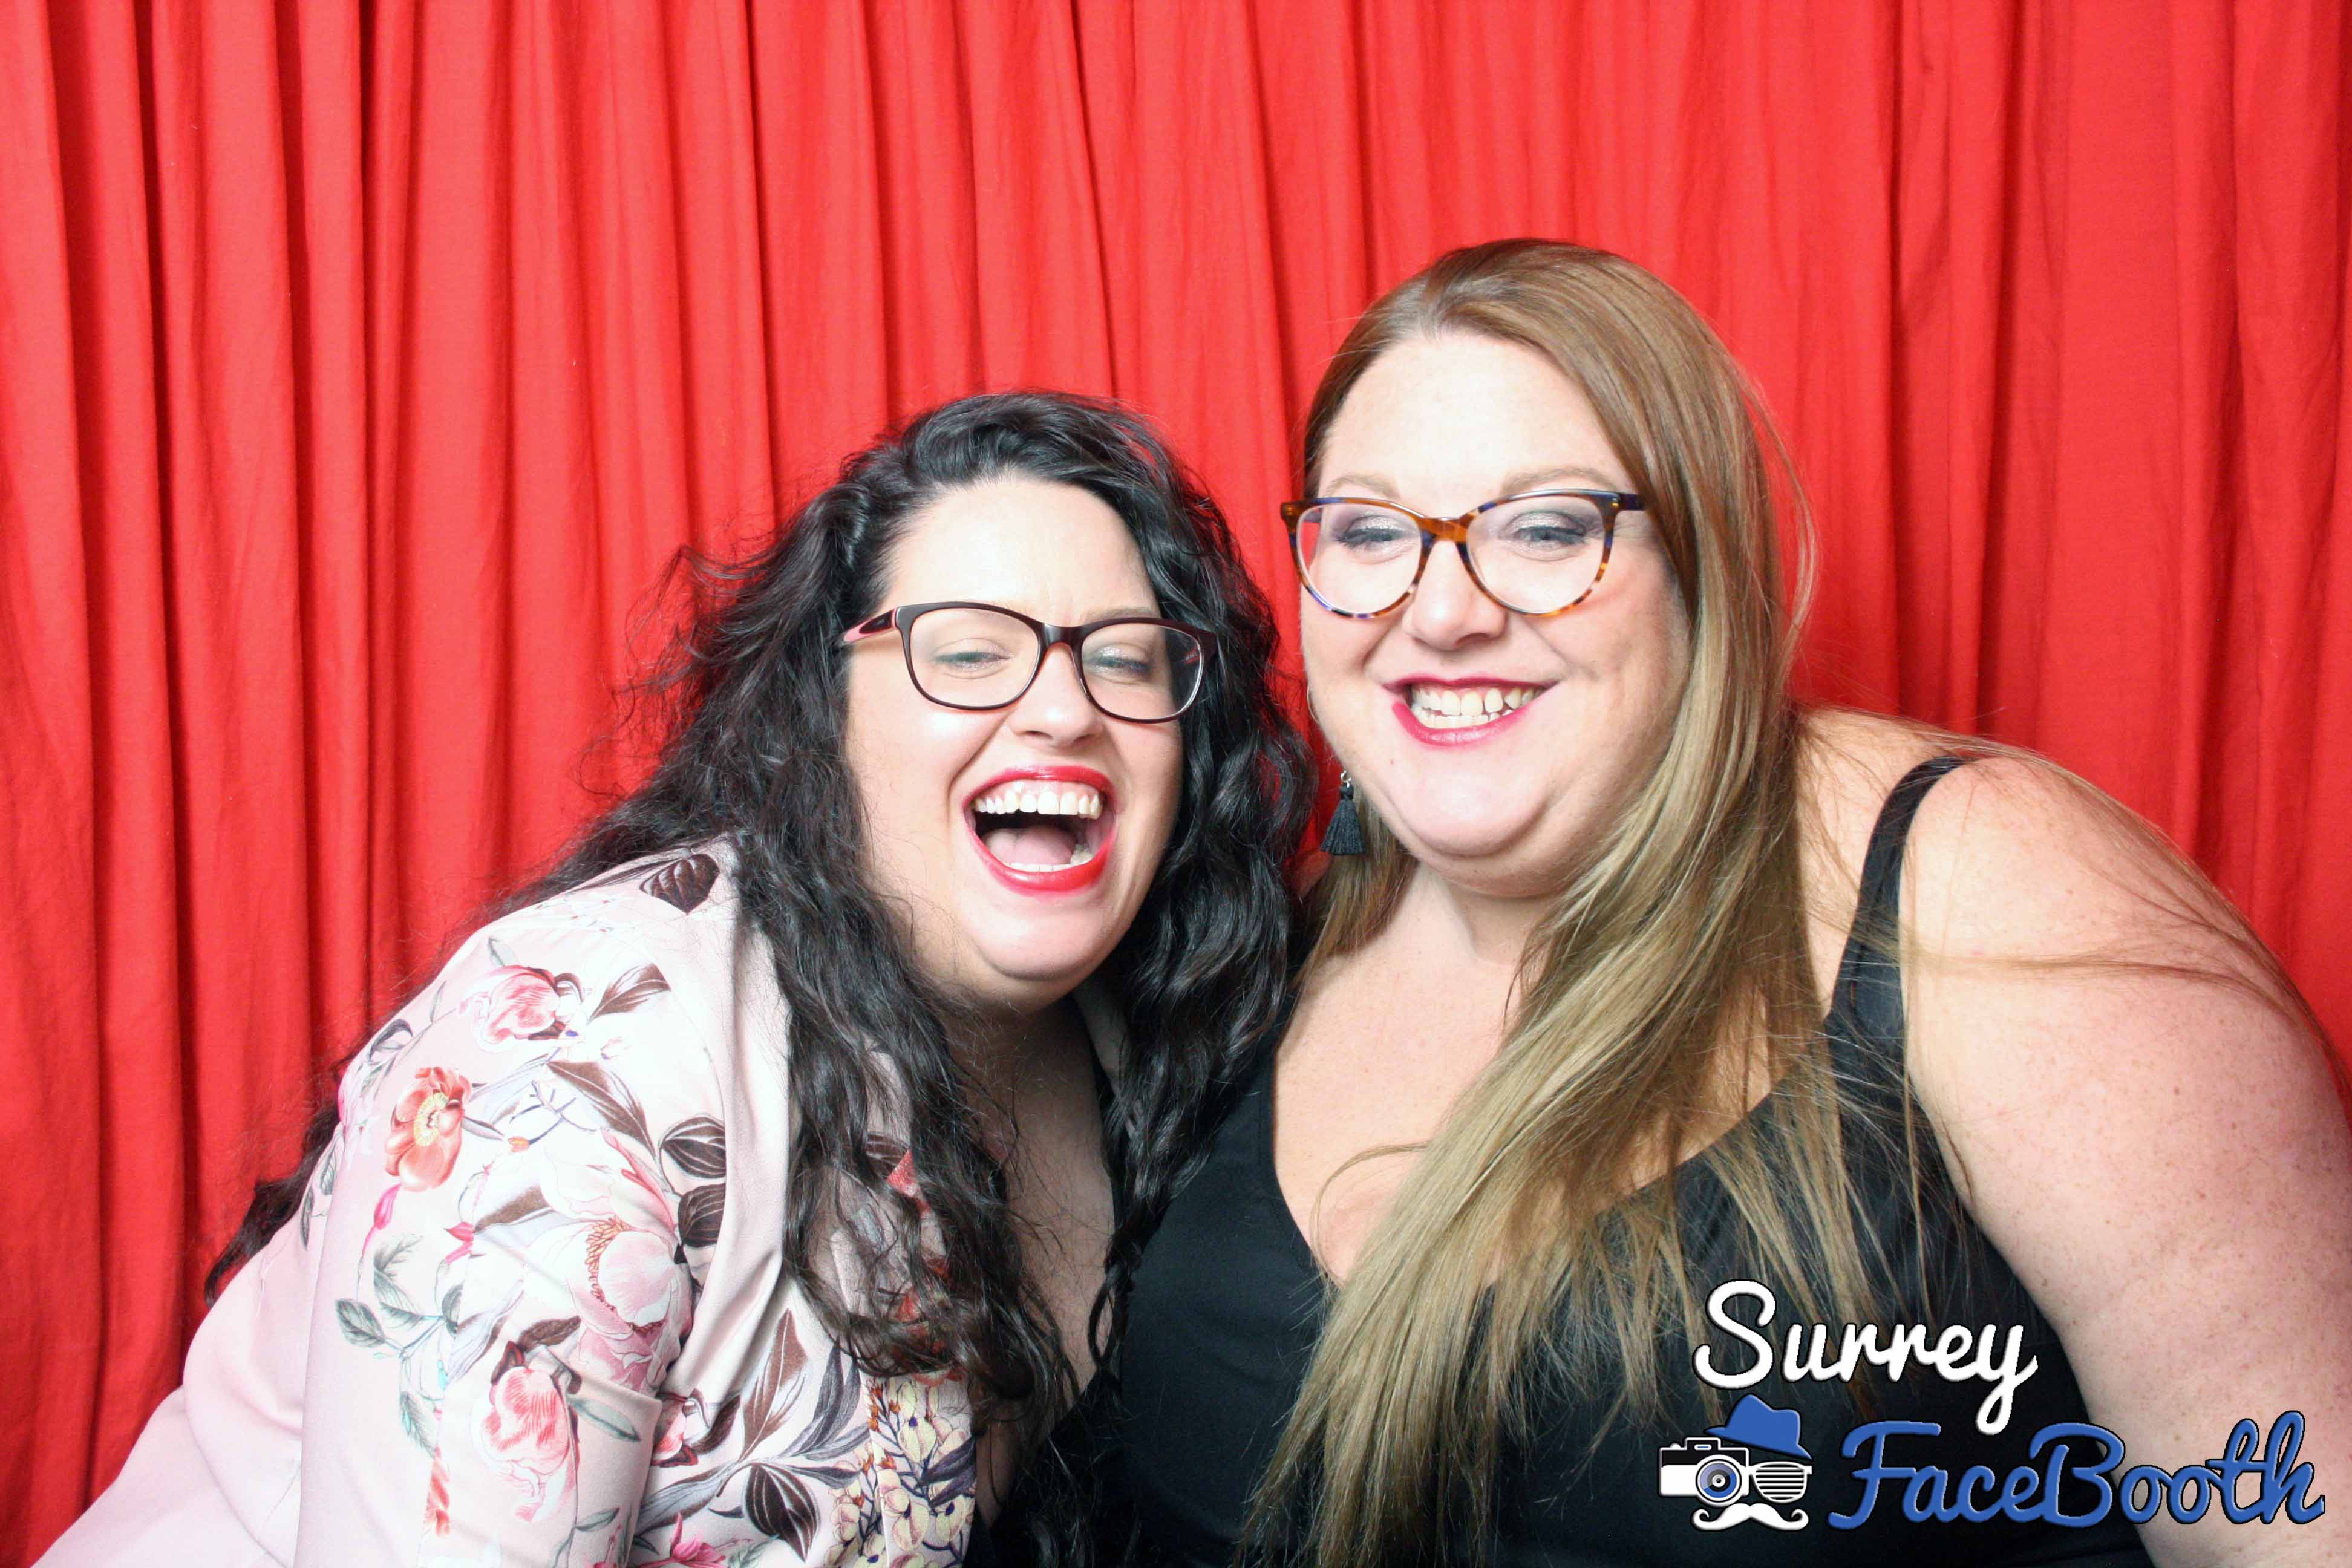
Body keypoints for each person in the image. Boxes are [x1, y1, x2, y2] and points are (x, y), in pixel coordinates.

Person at [1111, 241, 2351, 1566]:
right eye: (1370, 533)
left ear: (1702, 565)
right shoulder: (1261, 945)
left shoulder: (1982, 891)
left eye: (1548, 529)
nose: (1444, 611)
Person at [40, 391, 1311, 1568]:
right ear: (824, 714)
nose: (1064, 710)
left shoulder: (1142, 1040)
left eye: (1124, 659)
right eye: (970, 653)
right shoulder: (573, 1062)